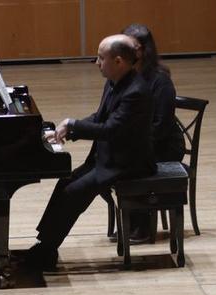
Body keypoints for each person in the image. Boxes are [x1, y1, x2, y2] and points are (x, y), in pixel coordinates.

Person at [27, 34, 155, 271]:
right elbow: (100, 118)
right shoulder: (115, 82)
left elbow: (111, 129)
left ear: (118, 61)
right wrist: (65, 130)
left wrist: (74, 125)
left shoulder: (136, 92)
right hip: (109, 157)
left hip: (128, 163)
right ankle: (44, 244)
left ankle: (46, 251)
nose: (97, 63)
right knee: (65, 183)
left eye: (100, 58)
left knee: (75, 191)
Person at [115, 23, 185, 243]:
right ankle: (131, 217)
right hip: (140, 142)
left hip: (164, 146)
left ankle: (142, 225)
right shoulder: (123, 77)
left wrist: (135, 147)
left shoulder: (160, 81)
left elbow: (161, 126)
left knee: (131, 165)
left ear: (142, 50)